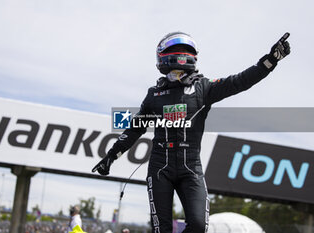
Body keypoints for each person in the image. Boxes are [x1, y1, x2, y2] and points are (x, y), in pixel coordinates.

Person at [92, 31, 290, 233]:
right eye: (178, 51)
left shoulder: (203, 87)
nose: (181, 54)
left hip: (191, 167)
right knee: (162, 230)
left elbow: (239, 81)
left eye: (184, 51)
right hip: (161, 167)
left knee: (197, 226)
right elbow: (135, 128)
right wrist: (111, 156)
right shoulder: (154, 94)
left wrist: (270, 61)